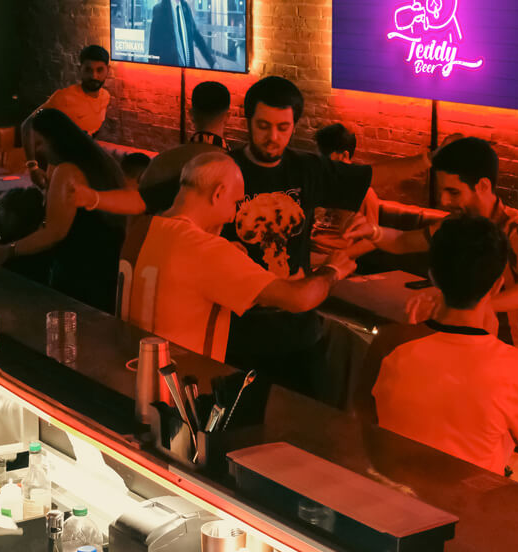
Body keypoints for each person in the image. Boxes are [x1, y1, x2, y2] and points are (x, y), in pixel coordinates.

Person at [222, 77, 429, 382]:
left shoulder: (306, 169)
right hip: (236, 329)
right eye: (263, 126)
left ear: (294, 125)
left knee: (308, 420)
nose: (273, 137)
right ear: (247, 120)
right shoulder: (224, 170)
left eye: (283, 127)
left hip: (299, 330)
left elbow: (371, 175)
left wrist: (427, 160)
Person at [125, 154, 342, 361]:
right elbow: (300, 298)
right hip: (179, 385)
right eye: (235, 203)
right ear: (218, 193)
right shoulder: (206, 251)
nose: (231, 216)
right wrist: (333, 269)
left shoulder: (141, 227)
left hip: (130, 366)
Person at [370, 216, 518, 475]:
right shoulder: (515, 365)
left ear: (433, 277)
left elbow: (365, 417)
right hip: (470, 503)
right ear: (497, 285)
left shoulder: (388, 343)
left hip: (395, 490)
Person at [358, 137, 518, 356]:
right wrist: (371, 231)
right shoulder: (456, 224)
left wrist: (480, 306)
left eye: (453, 192)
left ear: (483, 186)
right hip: (470, 350)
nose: (444, 200)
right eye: (442, 191)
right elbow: (402, 241)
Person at [0, 107, 137, 312]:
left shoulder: (68, 172)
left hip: (78, 269)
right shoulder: (102, 164)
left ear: (57, 140)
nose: (37, 151)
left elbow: (54, 233)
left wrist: (7, 251)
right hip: (106, 265)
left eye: (39, 143)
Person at [138, 80, 233, 214]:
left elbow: (141, 209)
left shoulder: (161, 162)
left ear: (191, 114)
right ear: (227, 117)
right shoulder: (236, 169)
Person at [22, 46, 111, 160]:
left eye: (99, 70)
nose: (94, 76)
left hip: (84, 165)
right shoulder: (64, 98)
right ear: (80, 69)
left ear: (108, 70)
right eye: (88, 70)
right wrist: (32, 165)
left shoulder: (105, 97)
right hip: (61, 167)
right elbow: (27, 125)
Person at [147, 0, 213, 68]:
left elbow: (196, 36)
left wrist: (212, 61)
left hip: (189, 74)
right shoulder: (159, 11)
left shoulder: (185, 8)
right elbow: (153, 50)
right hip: (170, 77)